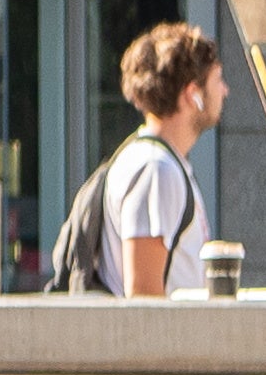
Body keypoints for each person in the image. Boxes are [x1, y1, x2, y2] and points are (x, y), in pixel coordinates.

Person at [83, 22, 229, 298]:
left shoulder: (162, 163)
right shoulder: (155, 170)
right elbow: (143, 296)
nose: (225, 91)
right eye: (217, 80)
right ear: (192, 95)